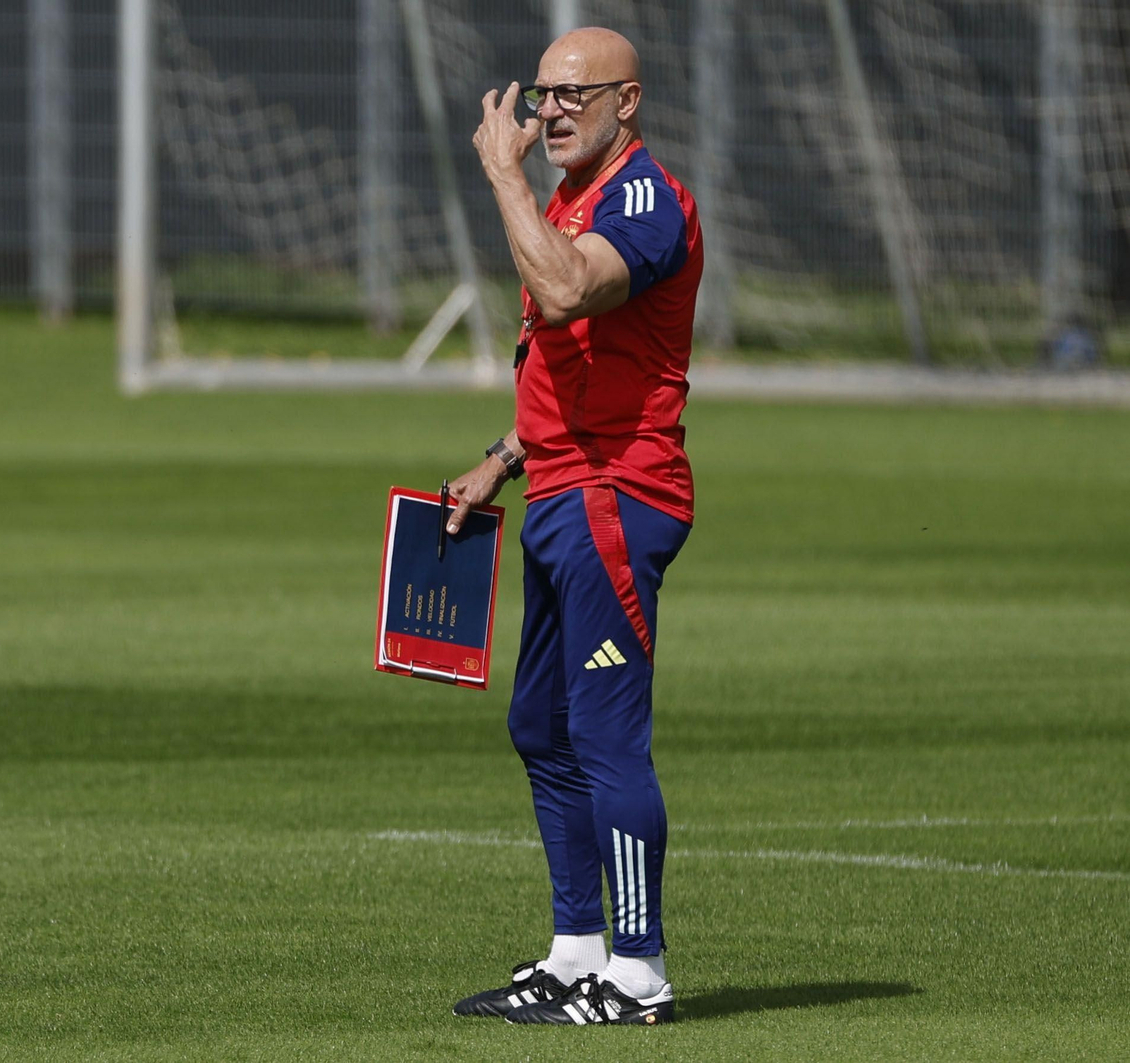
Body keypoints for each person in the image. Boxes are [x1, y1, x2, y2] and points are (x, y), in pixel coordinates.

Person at [444, 27, 701, 1027]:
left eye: (570, 94)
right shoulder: (571, 199)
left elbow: (563, 288)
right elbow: (576, 363)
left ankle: (637, 974)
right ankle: (574, 950)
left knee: (602, 734)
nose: (547, 111)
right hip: (559, 483)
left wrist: (501, 177)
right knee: (539, 726)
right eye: (540, 94)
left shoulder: (642, 198)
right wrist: (502, 459)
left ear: (625, 102)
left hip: (614, 492)